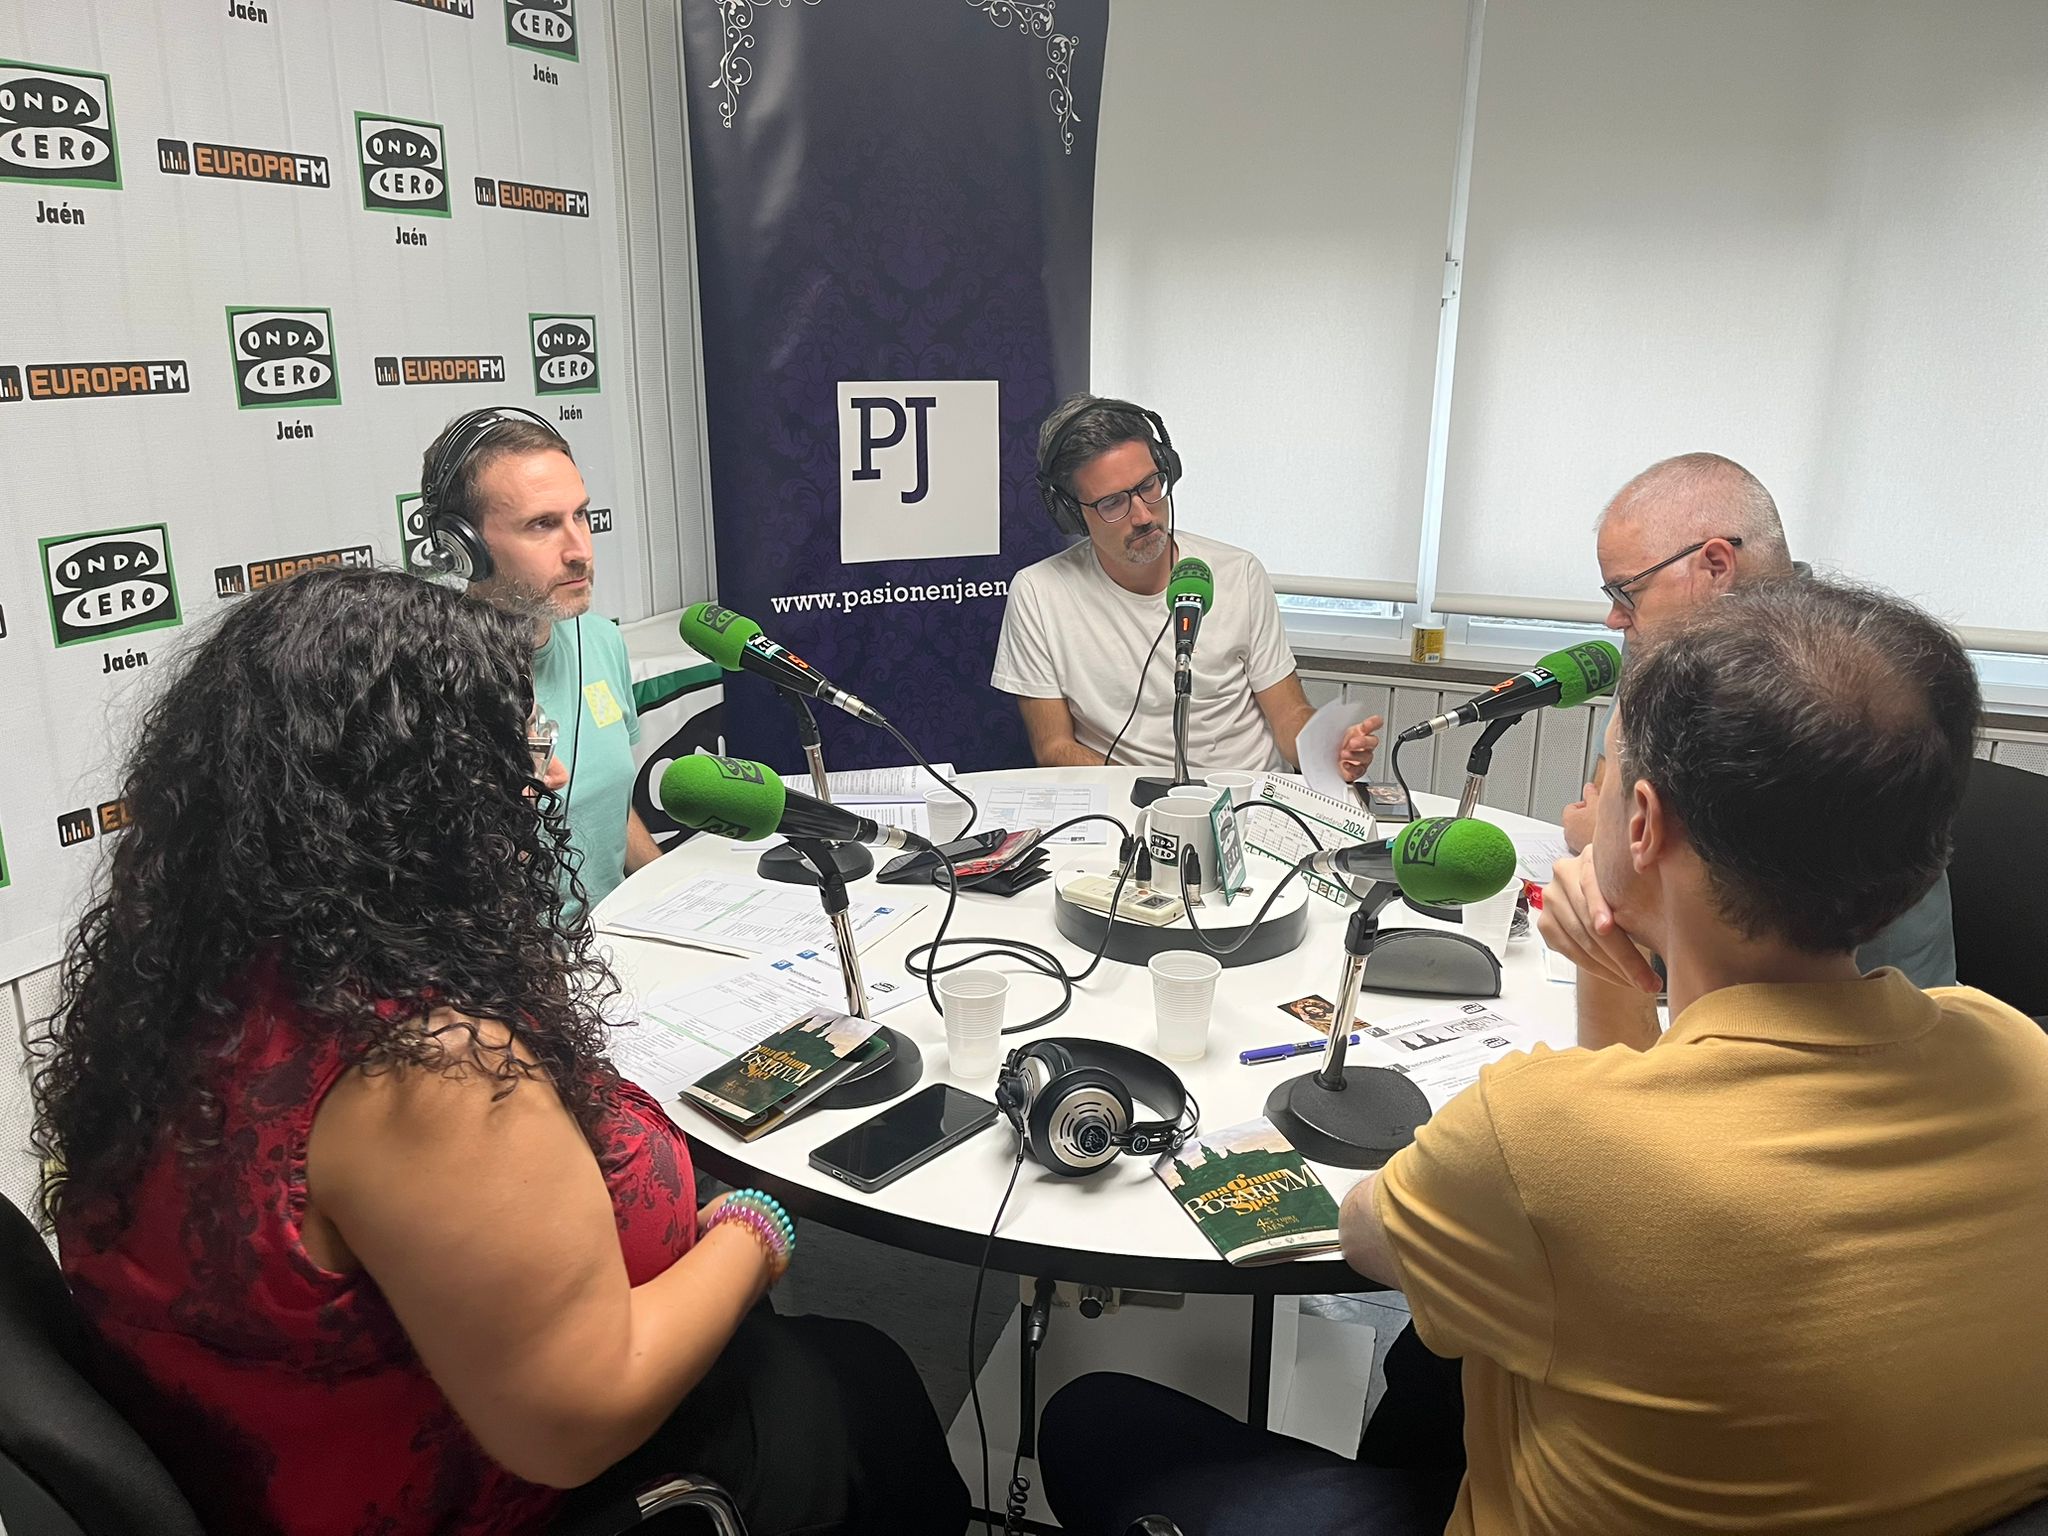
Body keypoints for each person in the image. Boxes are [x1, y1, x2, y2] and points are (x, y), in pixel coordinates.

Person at [1038, 579, 2048, 1535]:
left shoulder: (1542, 1137)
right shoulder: (2013, 1050)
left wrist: (1611, 975)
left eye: (1602, 774)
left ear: (1642, 825)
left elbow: (1366, 1238)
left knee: (1096, 1421)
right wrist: (1621, 980)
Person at [31, 568, 966, 1536]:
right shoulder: (425, 1073)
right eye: (516, 746)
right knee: (865, 1379)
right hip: (540, 1495)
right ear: (410, 790)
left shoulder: (196, 984)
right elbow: (577, 1418)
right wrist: (754, 1227)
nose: (550, 778)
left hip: (293, 1469)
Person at [1563, 451, 1956, 988]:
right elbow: (1612, 799)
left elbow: (1669, 867)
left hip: (1846, 1000)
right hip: (1704, 974)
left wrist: (1610, 843)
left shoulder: (1833, 673)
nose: (1614, 617)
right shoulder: (1671, 635)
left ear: (1715, 565)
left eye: (1626, 591)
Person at [992, 394, 1382, 780]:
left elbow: (1288, 715)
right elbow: (1054, 748)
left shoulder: (1239, 572)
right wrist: (1159, 796)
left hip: (1245, 794)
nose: (1143, 516)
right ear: (1071, 514)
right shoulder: (1038, 593)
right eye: (1112, 503)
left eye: (1149, 485)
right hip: (1131, 800)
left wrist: (1323, 749)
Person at [419, 408, 659, 911]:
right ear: (464, 548)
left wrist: (670, 893)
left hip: (622, 941)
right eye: (543, 524)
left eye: (581, 515)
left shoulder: (600, 639)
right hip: (508, 953)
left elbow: (608, 807)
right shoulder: (428, 683)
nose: (580, 550)